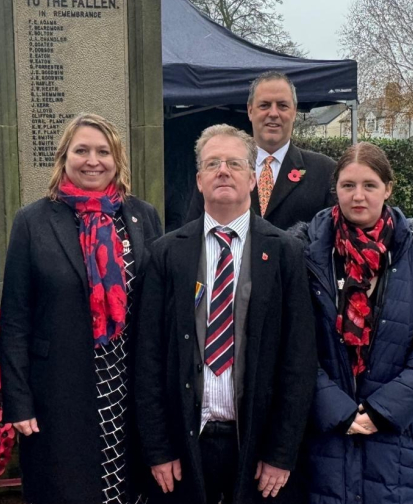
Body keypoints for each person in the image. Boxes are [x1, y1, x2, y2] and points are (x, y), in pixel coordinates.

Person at [135, 124, 317, 504]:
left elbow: (298, 361)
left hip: (256, 447)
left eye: (234, 163)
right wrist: (158, 448)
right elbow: (148, 358)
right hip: (185, 447)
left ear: (252, 178)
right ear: (199, 179)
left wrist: (281, 453)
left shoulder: (285, 253)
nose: (223, 170)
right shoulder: (166, 254)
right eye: (212, 163)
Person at [0, 113, 163, 504]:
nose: (93, 160)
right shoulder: (33, 221)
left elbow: (159, 306)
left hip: (128, 384)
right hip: (59, 390)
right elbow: (16, 319)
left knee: (129, 487)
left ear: (117, 159)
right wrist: (18, 402)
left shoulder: (142, 217)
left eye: (103, 151)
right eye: (82, 150)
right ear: (64, 158)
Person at [295, 142, 413, 504]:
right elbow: (296, 343)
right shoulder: (307, 254)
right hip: (325, 434)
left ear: (388, 188)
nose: (358, 196)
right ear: (334, 188)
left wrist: (383, 410)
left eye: (369, 185)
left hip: (400, 437)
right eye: (348, 185)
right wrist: (337, 409)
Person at [186, 71, 336, 229]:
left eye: (282, 106)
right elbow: (192, 233)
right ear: (250, 111)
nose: (273, 113)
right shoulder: (216, 170)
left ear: (294, 112)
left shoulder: (324, 171)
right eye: (264, 105)